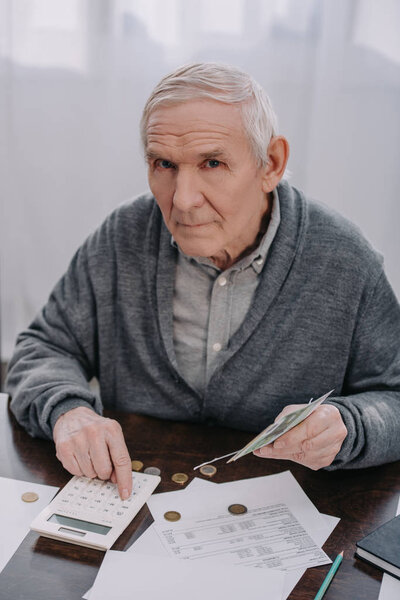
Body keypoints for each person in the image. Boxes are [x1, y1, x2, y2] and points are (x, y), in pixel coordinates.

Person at [6, 63, 400, 500]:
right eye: (164, 164)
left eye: (212, 162)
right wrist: (69, 411)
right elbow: (44, 348)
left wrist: (350, 426)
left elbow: (395, 398)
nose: (183, 199)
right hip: (136, 503)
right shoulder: (124, 236)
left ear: (271, 164)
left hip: (287, 517)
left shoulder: (344, 259)